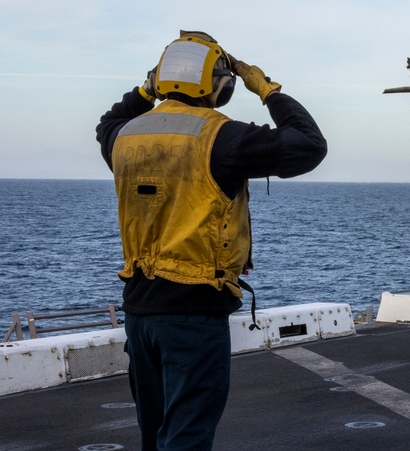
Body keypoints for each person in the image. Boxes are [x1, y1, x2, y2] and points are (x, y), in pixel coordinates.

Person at [95, 30, 327, 451]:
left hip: (140, 312)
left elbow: (105, 124)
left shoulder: (124, 138)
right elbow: (310, 145)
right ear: (219, 86)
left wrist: (145, 91)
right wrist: (268, 89)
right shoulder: (223, 138)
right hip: (193, 314)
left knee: (156, 434)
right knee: (187, 438)